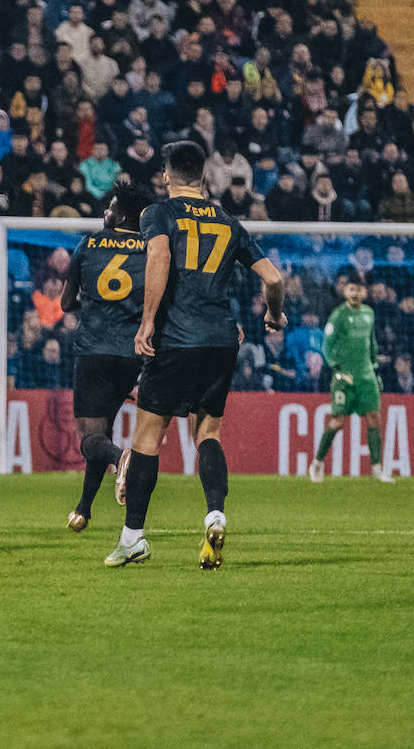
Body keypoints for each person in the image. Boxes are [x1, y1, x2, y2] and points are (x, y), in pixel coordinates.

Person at [107, 141, 285, 569]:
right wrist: (274, 317)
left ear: (166, 176)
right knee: (207, 433)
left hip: (176, 338)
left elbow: (160, 255)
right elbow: (274, 278)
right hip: (222, 340)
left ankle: (132, 539)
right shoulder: (228, 222)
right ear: (204, 177)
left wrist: (148, 319)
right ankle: (215, 514)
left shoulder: (159, 214)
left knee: (147, 437)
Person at [59, 179, 154, 533]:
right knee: (106, 427)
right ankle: (83, 509)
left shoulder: (89, 243)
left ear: (122, 214)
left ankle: (121, 458)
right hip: (132, 354)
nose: (106, 212)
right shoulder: (150, 248)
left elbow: (66, 303)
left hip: (94, 350)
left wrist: (97, 306)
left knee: (90, 438)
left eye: (111, 207)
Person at [309, 273, 393, 484]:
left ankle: (377, 470)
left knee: (374, 418)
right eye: (351, 289)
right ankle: (317, 463)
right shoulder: (338, 316)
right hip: (344, 378)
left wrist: (374, 368)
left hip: (366, 377)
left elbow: (371, 343)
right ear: (345, 292)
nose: (355, 293)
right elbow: (327, 345)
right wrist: (336, 368)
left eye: (359, 289)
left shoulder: (369, 313)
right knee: (337, 422)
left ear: (364, 292)